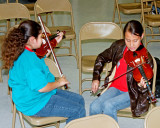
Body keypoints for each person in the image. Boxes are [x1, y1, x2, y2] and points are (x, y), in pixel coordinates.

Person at [1, 20, 86, 123]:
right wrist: (59, 82)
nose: (43, 40)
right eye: (41, 36)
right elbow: (42, 87)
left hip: (33, 95)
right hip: (34, 103)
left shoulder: (22, 50)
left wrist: (53, 44)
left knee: (79, 99)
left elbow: (37, 61)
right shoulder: (29, 62)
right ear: (32, 39)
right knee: (78, 110)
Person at [90, 20, 154, 122]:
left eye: (135, 40)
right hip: (115, 87)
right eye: (128, 40)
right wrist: (96, 78)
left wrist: (142, 86)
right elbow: (101, 57)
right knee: (94, 106)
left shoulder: (146, 58)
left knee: (109, 105)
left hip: (132, 92)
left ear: (142, 36)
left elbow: (144, 89)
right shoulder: (118, 46)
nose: (131, 45)